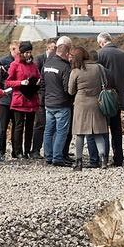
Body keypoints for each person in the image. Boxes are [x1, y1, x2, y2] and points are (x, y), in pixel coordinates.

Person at [67, 46, 111, 170]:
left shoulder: (76, 71)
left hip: (81, 103)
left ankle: (79, 162)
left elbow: (71, 91)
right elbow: (106, 83)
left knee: (80, 134)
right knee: (98, 133)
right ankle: (103, 160)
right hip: (97, 102)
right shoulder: (99, 68)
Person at [96, 32, 124, 166]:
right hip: (118, 97)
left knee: (103, 128)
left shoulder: (100, 54)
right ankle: (118, 158)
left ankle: (103, 158)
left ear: (101, 42)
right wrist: (120, 89)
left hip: (104, 98)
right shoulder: (123, 55)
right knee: (117, 129)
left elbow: (97, 74)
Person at [5, 41, 41, 159]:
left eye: (30, 52)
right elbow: (8, 82)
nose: (28, 55)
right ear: (21, 53)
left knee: (30, 126)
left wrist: (37, 82)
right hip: (19, 99)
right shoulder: (15, 65)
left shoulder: (33, 65)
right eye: (26, 52)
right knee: (18, 126)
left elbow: (38, 76)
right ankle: (17, 151)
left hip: (31, 99)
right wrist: (20, 83)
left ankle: (27, 150)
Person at [42, 36, 73, 167]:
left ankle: (48, 156)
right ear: (66, 54)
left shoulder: (46, 65)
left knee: (48, 131)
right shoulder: (65, 67)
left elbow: (42, 84)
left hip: (49, 103)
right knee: (61, 132)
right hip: (62, 104)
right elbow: (68, 88)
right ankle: (57, 157)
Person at [30, 39, 56, 159]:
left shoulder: (58, 60)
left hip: (52, 96)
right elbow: (36, 77)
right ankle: (35, 149)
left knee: (53, 125)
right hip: (41, 96)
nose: (54, 51)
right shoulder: (40, 59)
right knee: (40, 124)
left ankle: (53, 149)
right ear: (47, 49)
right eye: (52, 49)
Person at [0, 41, 19, 159]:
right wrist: (1, 92)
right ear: (13, 49)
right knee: (2, 127)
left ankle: (16, 151)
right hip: (4, 100)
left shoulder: (21, 63)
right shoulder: (3, 62)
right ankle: (1, 150)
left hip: (16, 100)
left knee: (17, 127)